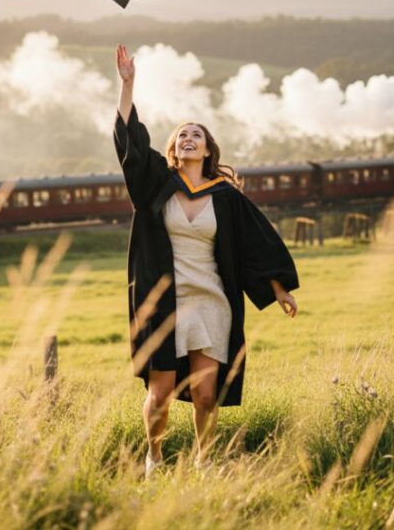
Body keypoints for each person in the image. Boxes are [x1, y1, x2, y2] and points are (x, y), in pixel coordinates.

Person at [113, 44, 300, 479]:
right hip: (164, 301)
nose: (188, 139)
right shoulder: (157, 185)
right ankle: (154, 458)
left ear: (208, 148)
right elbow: (130, 145)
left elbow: (257, 245)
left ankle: (204, 460)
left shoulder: (226, 197)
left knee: (205, 394)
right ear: (175, 150)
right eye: (182, 135)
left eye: (196, 134)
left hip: (212, 300)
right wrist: (128, 85)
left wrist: (279, 289)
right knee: (159, 393)